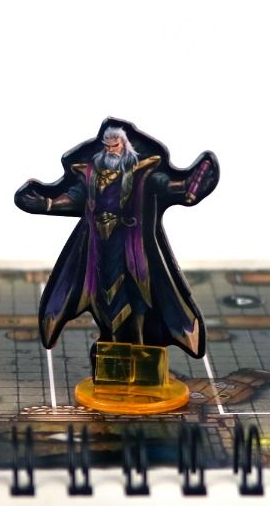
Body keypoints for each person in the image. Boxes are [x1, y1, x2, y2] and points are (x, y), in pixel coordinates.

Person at [15, 119, 219, 355]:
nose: (111, 150)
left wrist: (187, 185)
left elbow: (166, 185)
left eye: (116, 145)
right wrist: (47, 203)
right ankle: (113, 345)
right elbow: (75, 197)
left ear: (125, 145)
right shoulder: (91, 173)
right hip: (98, 246)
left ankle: (140, 347)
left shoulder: (143, 172)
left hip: (132, 246)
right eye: (107, 146)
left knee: (141, 294)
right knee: (103, 296)